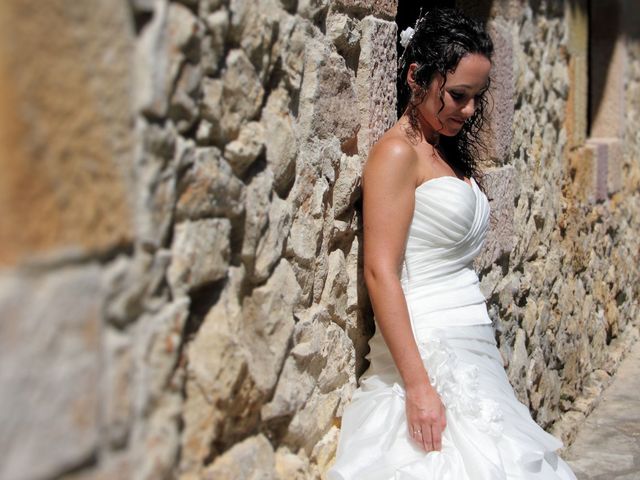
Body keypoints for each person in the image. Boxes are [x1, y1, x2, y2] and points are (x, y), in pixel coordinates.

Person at [327, 9, 577, 479]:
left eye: (475, 99)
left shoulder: (442, 151)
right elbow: (381, 272)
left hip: (472, 348)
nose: (466, 110)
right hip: (429, 348)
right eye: (457, 95)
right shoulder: (397, 153)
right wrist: (419, 388)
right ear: (416, 77)